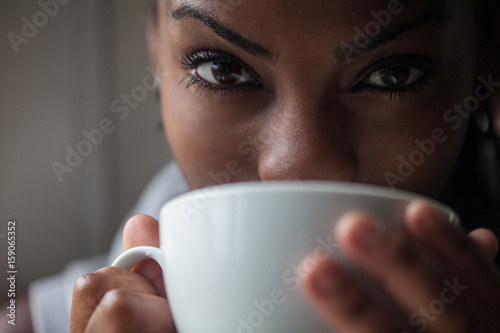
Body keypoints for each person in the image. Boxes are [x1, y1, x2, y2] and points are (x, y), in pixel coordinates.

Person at [8, 0, 500, 332]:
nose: (294, 166)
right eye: (222, 70)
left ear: (485, 62)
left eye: (392, 73)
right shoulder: (172, 217)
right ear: (156, 48)